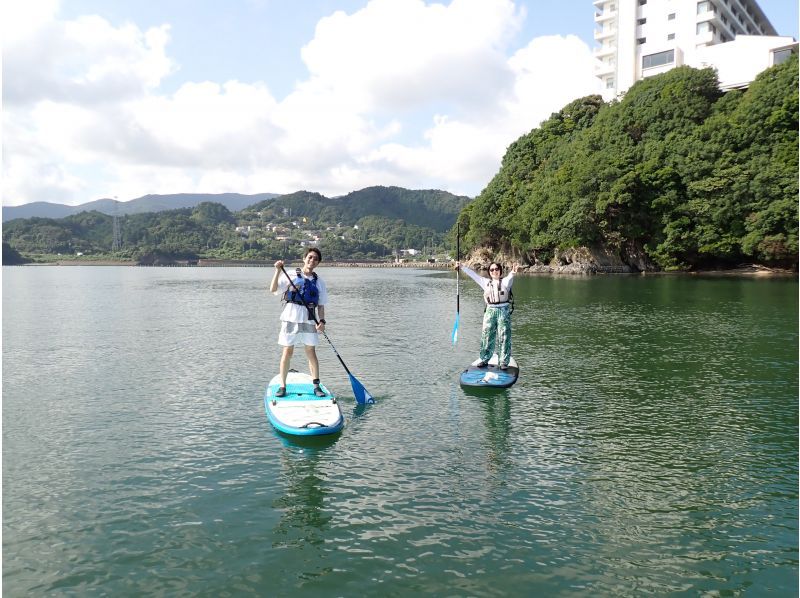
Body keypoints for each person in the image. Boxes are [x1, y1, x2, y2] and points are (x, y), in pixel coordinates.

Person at [270, 247, 328, 397]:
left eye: (315, 259)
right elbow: (273, 289)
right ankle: (282, 386)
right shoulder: (290, 274)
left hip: (309, 318)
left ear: (318, 263)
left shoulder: (319, 281)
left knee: (311, 351)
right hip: (290, 316)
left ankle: (316, 385)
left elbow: (321, 305)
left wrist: (322, 321)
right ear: (304, 259)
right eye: (310, 257)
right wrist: (277, 270)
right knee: (287, 351)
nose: (312, 260)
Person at [457, 260, 521, 370]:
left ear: (500, 271)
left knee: (504, 336)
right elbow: (473, 275)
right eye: (492, 270)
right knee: (487, 335)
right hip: (490, 311)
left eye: (496, 269)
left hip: (503, 311)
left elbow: (511, 276)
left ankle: (503, 361)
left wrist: (513, 272)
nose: (494, 271)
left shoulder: (506, 282)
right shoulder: (485, 282)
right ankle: (484, 359)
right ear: (489, 272)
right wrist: (461, 267)